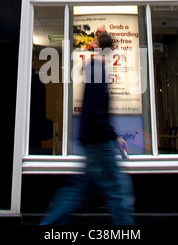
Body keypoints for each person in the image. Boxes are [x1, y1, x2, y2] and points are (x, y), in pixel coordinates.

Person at [40, 33, 135, 225]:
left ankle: (49, 224)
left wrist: (111, 136)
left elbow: (92, 109)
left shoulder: (94, 68)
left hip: (93, 140)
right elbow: (95, 109)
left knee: (80, 188)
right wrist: (110, 136)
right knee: (118, 193)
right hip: (99, 142)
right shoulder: (98, 70)